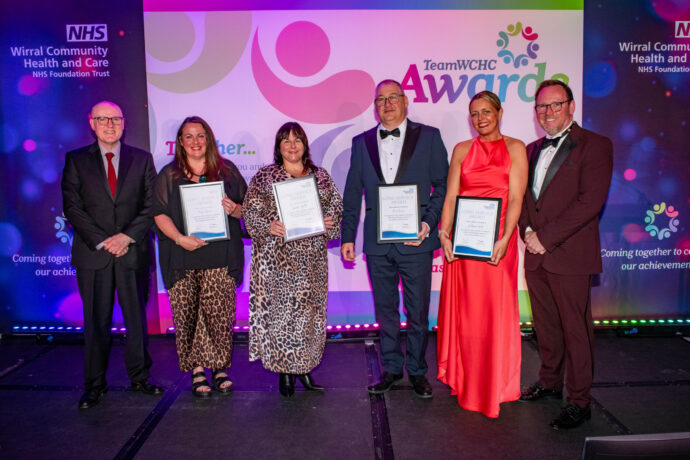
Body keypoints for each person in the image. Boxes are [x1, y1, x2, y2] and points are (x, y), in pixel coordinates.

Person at [341, 79, 449, 398]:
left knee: (417, 311)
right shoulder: (361, 142)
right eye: (380, 99)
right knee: (384, 310)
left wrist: (428, 224)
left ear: (405, 102)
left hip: (416, 240)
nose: (387, 104)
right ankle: (391, 368)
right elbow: (351, 193)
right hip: (377, 243)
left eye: (393, 98)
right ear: (375, 107)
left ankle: (416, 371)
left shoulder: (429, 137)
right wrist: (348, 236)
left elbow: (442, 186)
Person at [518, 80, 613, 429]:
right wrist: (527, 233)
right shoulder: (529, 149)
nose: (548, 112)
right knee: (546, 327)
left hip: (570, 255)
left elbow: (590, 202)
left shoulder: (596, 145)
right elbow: (525, 200)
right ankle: (549, 381)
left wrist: (545, 237)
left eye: (556, 105)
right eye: (542, 107)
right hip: (536, 253)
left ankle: (579, 401)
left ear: (571, 107)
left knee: (576, 331)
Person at [62, 101, 162, 409]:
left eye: (115, 118)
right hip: (95, 255)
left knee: (136, 319)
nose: (110, 124)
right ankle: (94, 385)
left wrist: (126, 237)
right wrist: (104, 241)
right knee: (96, 321)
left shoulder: (142, 160)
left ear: (123, 123)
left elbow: (152, 204)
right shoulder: (76, 160)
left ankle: (140, 377)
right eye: (103, 119)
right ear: (91, 123)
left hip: (132, 252)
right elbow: (73, 207)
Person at [436, 91, 528, 417]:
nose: (480, 119)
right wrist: (443, 233)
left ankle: (495, 385)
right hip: (464, 247)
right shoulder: (461, 150)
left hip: (496, 247)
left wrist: (505, 239)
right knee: (468, 316)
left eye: (486, 111)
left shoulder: (516, 148)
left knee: (494, 315)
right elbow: (450, 198)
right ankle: (467, 380)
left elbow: (516, 198)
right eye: (474, 114)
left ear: (499, 112)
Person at [243, 122, 343, 397]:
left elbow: (337, 208)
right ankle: (286, 373)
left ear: (304, 144)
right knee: (284, 318)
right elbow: (249, 214)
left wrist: (330, 221)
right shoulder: (265, 177)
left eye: (297, 140)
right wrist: (268, 225)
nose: (292, 145)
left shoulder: (320, 176)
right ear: (278, 147)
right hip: (279, 262)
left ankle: (304, 369)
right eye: (285, 141)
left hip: (313, 262)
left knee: (310, 317)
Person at [153, 116, 246, 398]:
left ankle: (219, 368)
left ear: (209, 139)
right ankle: (196, 370)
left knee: (219, 316)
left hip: (221, 256)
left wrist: (235, 210)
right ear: (180, 142)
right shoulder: (168, 176)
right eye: (188, 136)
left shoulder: (227, 170)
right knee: (188, 316)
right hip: (183, 256)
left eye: (200, 135)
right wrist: (180, 238)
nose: (195, 141)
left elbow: (248, 209)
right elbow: (158, 213)